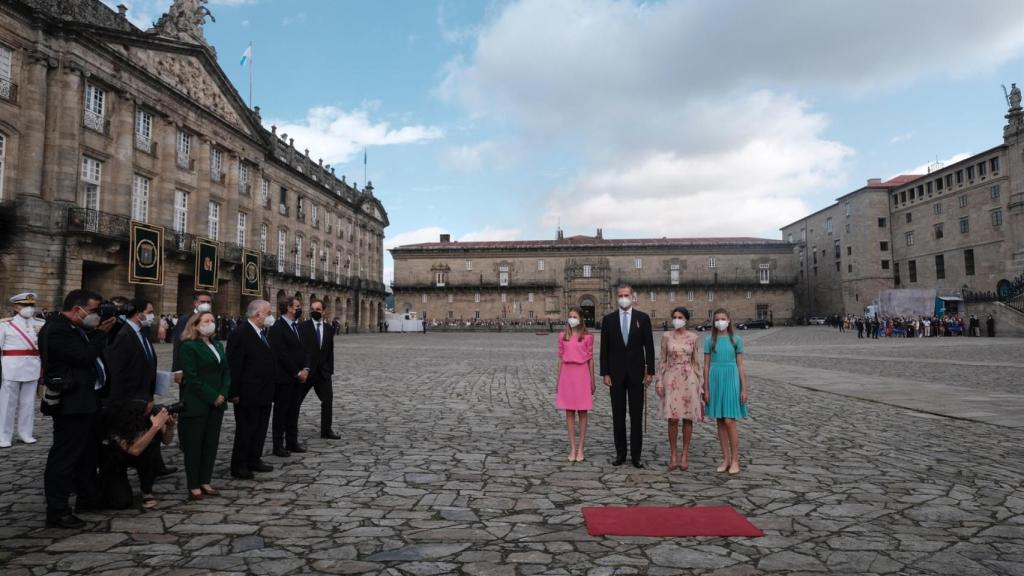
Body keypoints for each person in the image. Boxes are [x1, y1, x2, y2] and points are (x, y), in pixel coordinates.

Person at [40, 289, 116, 528]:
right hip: (71, 405)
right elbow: (83, 356)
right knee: (65, 458)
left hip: (87, 401)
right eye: (93, 310)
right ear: (77, 309)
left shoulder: (76, 328)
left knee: (87, 455)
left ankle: (88, 497)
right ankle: (58, 510)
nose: (96, 315)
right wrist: (101, 334)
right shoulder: (57, 330)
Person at [599, 284, 655, 468]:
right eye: (620, 295)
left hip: (637, 374)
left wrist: (650, 371)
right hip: (615, 374)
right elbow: (604, 349)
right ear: (616, 297)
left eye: (626, 295)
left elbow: (649, 347)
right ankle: (620, 454)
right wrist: (605, 372)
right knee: (618, 415)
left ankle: (636, 456)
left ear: (632, 296)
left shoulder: (643, 318)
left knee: (636, 416)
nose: (623, 298)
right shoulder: (608, 320)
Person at [179, 312, 229, 500]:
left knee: (211, 444)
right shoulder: (189, 346)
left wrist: (223, 393)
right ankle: (193, 484)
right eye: (207, 321)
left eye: (213, 320)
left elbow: (226, 372)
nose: (211, 323)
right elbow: (192, 377)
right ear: (196, 324)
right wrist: (212, 396)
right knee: (194, 445)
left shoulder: (217, 345)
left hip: (218, 402)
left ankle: (205, 480)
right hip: (198, 402)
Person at [227, 299, 277, 479]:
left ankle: (254, 459)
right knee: (246, 429)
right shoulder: (241, 333)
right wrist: (233, 392)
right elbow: (234, 365)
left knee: (260, 428)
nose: (271, 316)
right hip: (248, 391)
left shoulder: (262, 333)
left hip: (264, 391)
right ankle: (239, 464)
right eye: (268, 313)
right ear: (258, 314)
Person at [98, 399, 175, 510]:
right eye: (147, 409)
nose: (150, 410)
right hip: (116, 460)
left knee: (151, 450)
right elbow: (134, 450)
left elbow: (167, 441)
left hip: (142, 458)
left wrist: (170, 426)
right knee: (122, 502)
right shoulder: (120, 421)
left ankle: (147, 491)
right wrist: (154, 428)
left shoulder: (153, 414)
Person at [654, 307, 704, 472]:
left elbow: (696, 362)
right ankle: (673, 454)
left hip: (689, 379)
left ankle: (685, 454)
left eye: (680, 317)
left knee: (688, 418)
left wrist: (701, 384)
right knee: (672, 419)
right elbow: (662, 360)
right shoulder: (666, 336)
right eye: (675, 317)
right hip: (671, 379)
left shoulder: (693, 337)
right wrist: (659, 381)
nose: (677, 320)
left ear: (686, 319)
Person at [703, 308, 748, 475]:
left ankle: (736, 459)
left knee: (729, 420)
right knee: (720, 420)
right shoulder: (709, 340)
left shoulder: (736, 339)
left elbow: (741, 365)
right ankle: (726, 459)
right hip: (715, 379)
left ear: (729, 320)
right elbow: (706, 365)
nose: (720, 322)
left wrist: (744, 388)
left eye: (723, 319)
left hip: (731, 378)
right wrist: (706, 388)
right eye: (717, 319)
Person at [0, 292, 44, 447]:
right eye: (25, 305)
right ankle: (4, 436)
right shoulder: (5, 324)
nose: (29, 308)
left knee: (28, 403)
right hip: (11, 367)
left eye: (31, 305)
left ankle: (25, 433)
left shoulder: (40, 323)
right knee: (7, 404)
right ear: (16, 307)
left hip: (33, 366)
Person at [268, 296, 310, 457]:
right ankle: (278, 444)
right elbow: (281, 354)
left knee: (294, 410)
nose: (300, 309)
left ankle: (292, 441)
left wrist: (306, 368)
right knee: (281, 412)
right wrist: (297, 372)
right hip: (284, 377)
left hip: (298, 377)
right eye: (297, 306)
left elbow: (305, 349)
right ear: (289, 308)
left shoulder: (298, 326)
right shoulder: (277, 327)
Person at [555, 307, 594, 463]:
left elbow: (590, 359)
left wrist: (592, 381)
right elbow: (560, 358)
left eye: (575, 316)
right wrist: (558, 380)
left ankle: (581, 447)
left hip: (582, 374)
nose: (572, 319)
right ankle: (572, 447)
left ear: (581, 319)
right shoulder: (562, 336)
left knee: (583, 412)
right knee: (569, 412)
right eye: (570, 316)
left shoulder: (587, 337)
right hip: (567, 374)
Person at [298, 299, 339, 440]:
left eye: (318, 309)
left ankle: (326, 430)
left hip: (323, 372)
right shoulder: (303, 327)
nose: (315, 311)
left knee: (327, 401)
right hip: (307, 371)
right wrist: (301, 369)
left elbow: (330, 351)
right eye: (313, 309)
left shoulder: (329, 329)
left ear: (324, 311)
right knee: (296, 401)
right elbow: (299, 350)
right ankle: (288, 428)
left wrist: (329, 370)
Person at [105, 298, 158, 404]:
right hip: (131, 398)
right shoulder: (123, 335)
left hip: (145, 395)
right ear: (138, 314)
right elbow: (117, 371)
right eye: (150, 312)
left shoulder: (143, 331)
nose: (153, 316)